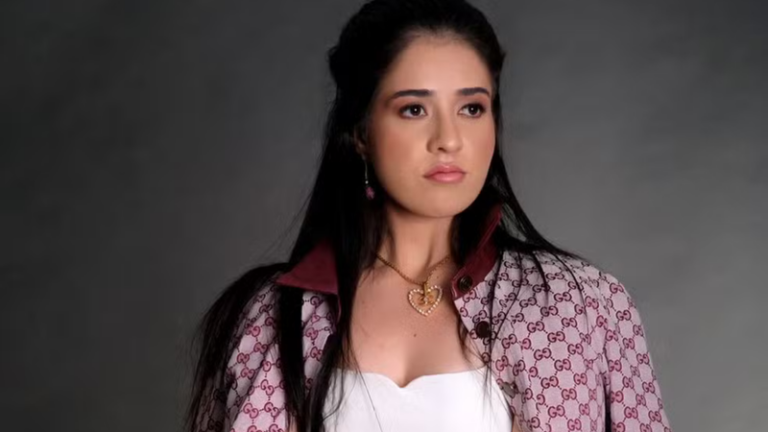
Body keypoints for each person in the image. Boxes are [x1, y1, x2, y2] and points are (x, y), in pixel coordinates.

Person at [186, 1, 672, 431]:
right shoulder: (268, 316)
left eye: (472, 108)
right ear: (360, 132)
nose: (449, 139)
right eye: (414, 109)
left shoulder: (582, 305)